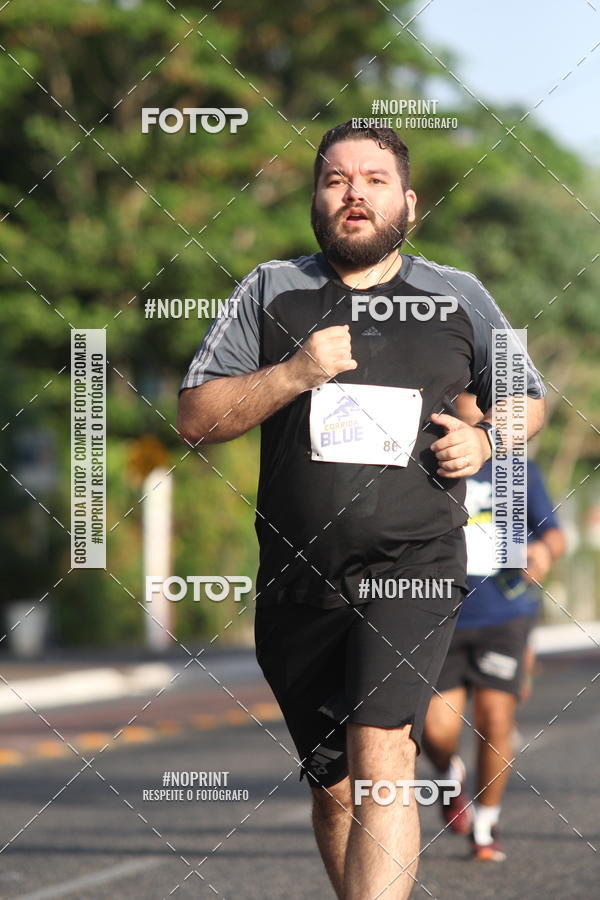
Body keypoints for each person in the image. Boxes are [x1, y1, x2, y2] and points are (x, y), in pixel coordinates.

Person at [177, 121, 546, 899]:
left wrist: (484, 442)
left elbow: (528, 401)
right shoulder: (271, 290)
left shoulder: (459, 295)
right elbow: (197, 419)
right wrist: (295, 373)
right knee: (335, 785)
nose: (354, 193)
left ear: (406, 202)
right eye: (337, 179)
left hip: (413, 566)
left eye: (374, 180)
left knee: (384, 748)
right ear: (316, 198)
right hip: (297, 579)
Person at [423, 392, 565, 862]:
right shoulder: (429, 461)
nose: (473, 400)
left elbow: (552, 532)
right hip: (440, 613)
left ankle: (485, 825)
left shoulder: (518, 471)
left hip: (504, 615)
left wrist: (544, 552)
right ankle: (447, 777)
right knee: (437, 730)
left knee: (495, 721)